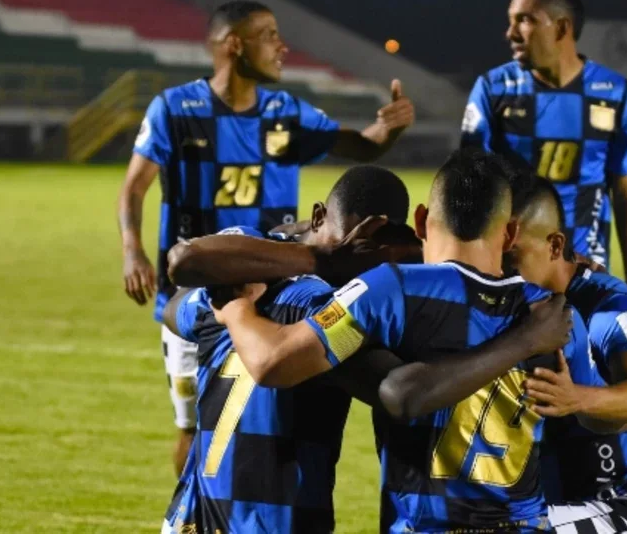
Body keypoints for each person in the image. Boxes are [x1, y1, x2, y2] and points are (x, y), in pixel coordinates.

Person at [158, 165, 574, 533]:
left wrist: (239, 306)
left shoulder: (236, 276)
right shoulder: (327, 307)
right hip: (280, 520)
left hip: (190, 520)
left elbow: (177, 300)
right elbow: (401, 392)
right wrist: (524, 339)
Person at [116, 0, 416, 474]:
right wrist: (133, 254)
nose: (282, 46)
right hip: (196, 294)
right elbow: (134, 187)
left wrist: (389, 127)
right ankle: (196, 514)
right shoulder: (175, 109)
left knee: (272, 426)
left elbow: (363, 145)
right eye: (269, 35)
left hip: (272, 294)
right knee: (196, 430)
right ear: (235, 44)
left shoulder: (284, 112)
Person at [506, 173, 627, 533]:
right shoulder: (522, 302)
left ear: (555, 247)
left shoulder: (607, 307)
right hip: (558, 501)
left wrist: (576, 399)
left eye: (512, 259)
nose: (501, 272)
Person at [461, 0, 627, 290]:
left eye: (525, 21)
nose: (510, 33)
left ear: (562, 28)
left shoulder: (614, 93)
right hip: (509, 267)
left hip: (585, 268)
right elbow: (468, 184)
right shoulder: (494, 89)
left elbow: (625, 194)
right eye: (510, 21)